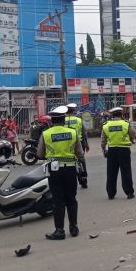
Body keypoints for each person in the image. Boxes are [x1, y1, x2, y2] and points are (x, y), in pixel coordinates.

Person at [37, 106, 85, 240]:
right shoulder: (73, 132)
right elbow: (80, 154)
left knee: (58, 201)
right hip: (70, 170)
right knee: (71, 199)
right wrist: (83, 170)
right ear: (63, 120)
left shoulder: (46, 134)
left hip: (54, 171)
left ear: (52, 121)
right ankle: (74, 228)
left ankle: (59, 231)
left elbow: (39, 154)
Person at [101, 107, 136, 200]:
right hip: (124, 150)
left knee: (111, 173)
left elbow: (103, 140)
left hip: (111, 150)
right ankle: (129, 193)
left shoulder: (106, 125)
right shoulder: (125, 124)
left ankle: (111, 194)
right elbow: (133, 134)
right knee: (126, 172)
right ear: (121, 114)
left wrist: (104, 150)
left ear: (112, 115)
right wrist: (131, 140)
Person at [66, 103, 89, 188]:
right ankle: (83, 179)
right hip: (79, 143)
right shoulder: (78, 120)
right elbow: (84, 133)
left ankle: (70, 181)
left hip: (67, 144)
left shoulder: (62, 120)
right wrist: (86, 144)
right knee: (81, 160)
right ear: (74, 110)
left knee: (69, 162)